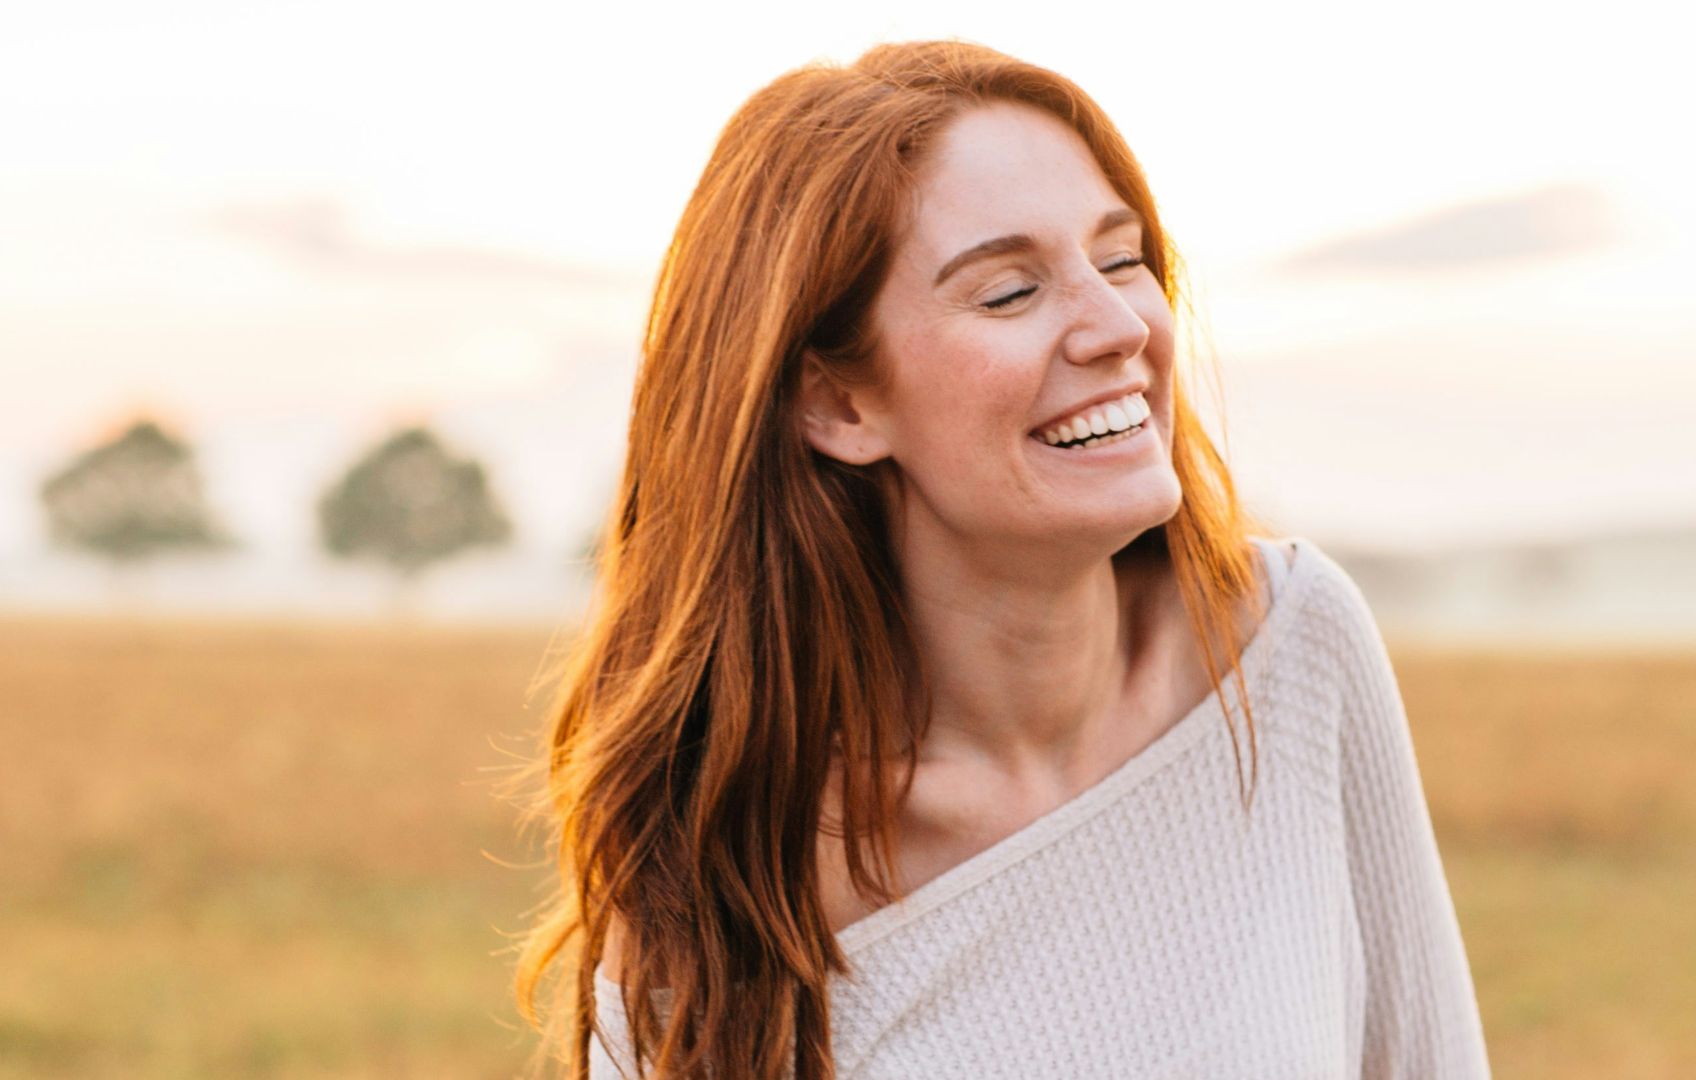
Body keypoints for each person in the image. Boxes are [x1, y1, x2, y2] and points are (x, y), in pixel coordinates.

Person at [511, 38, 1491, 1080]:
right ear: (838, 404)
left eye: (1121, 260)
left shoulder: (1292, 644)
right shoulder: (735, 879)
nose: (1116, 327)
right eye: (1011, 293)